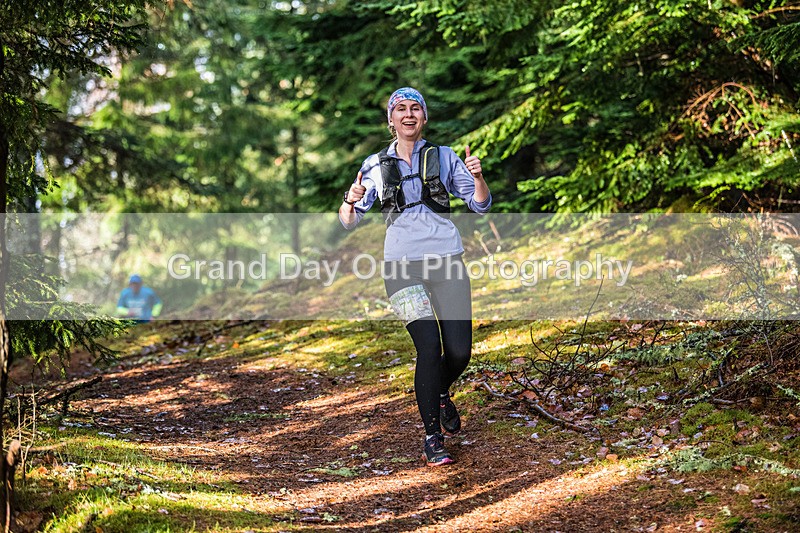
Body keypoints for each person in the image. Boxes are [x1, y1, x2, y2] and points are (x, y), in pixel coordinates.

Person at [339, 87, 491, 466]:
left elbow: (480, 205)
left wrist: (479, 177)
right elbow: (348, 222)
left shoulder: (446, 156)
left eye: (415, 108)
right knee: (428, 348)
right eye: (401, 109)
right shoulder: (374, 165)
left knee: (459, 351)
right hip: (401, 268)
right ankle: (432, 438)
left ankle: (441, 392)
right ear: (391, 120)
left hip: (447, 261)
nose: (408, 115)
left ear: (424, 117)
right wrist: (350, 199)